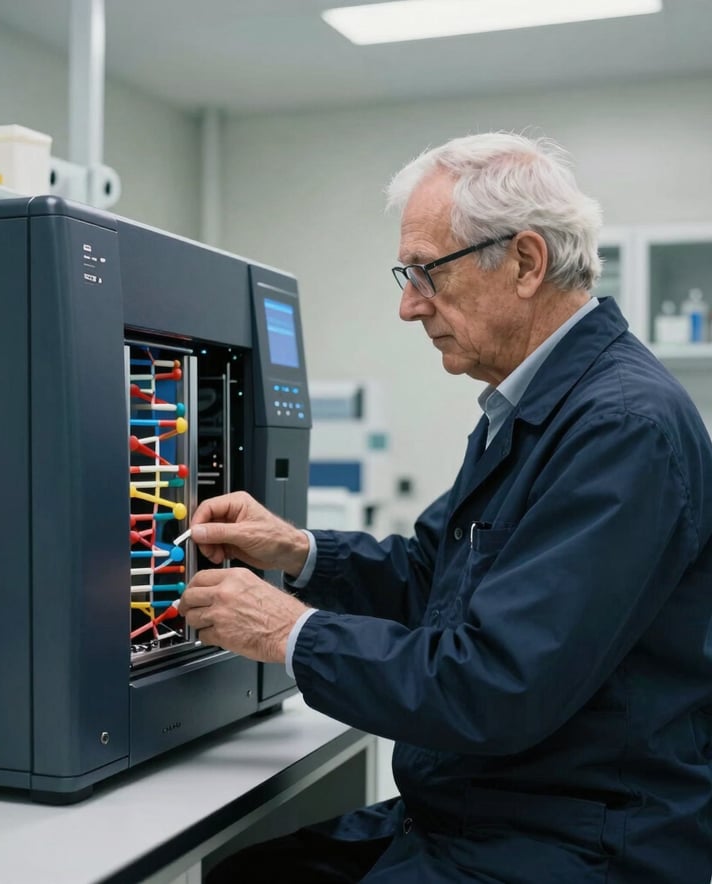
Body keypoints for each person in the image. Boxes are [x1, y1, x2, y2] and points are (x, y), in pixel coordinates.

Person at [179, 132, 712, 883]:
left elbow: (496, 685)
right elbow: (434, 577)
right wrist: (299, 552)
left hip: (576, 841)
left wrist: (289, 632)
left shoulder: (620, 427)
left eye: (426, 273)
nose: (408, 306)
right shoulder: (534, 406)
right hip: (488, 810)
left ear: (525, 262)